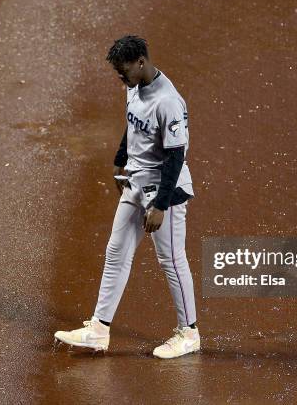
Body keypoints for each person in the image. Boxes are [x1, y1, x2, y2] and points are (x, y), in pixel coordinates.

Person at [54, 35, 199, 359]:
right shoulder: (135, 85)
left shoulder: (168, 102)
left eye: (124, 72)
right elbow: (132, 126)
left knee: (172, 261)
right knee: (116, 252)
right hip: (136, 181)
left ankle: (189, 332)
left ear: (141, 63)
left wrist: (160, 205)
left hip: (165, 190)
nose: (121, 79)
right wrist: (121, 158)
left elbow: (175, 156)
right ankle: (98, 330)